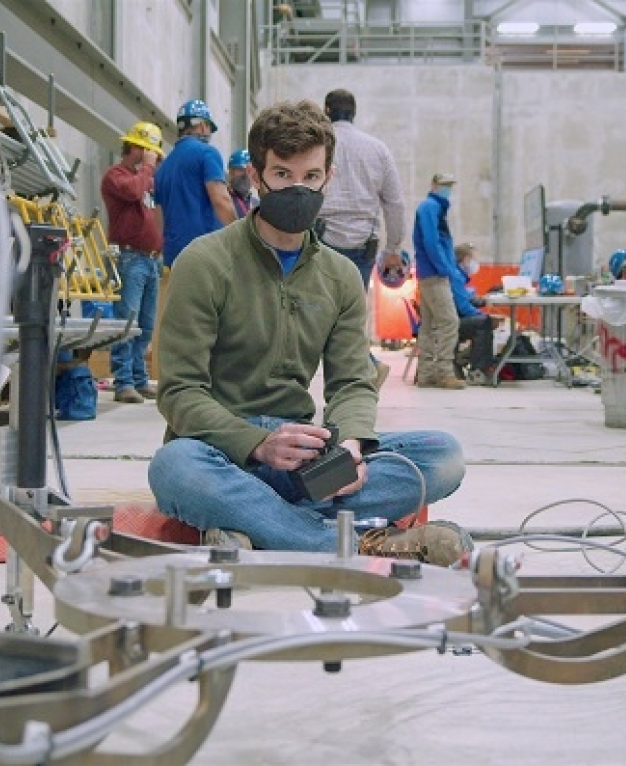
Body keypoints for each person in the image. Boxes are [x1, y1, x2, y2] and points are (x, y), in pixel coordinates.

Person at [147, 100, 472, 567]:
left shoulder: (339, 276)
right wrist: (257, 443)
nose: (298, 189)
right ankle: (350, 543)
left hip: (306, 454)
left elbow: (353, 381)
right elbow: (179, 392)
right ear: (256, 177)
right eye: (282, 175)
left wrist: (352, 445)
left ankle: (251, 522)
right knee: (174, 469)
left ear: (328, 178)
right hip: (219, 449)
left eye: (311, 177)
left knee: (444, 456)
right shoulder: (204, 262)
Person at [317, 89, 407, 389]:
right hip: (363, 245)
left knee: (323, 316)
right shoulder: (377, 149)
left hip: (323, 240)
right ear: (353, 112)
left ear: (326, 110)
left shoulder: (320, 145)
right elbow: (394, 203)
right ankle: (361, 372)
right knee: (351, 314)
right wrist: (394, 248)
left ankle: (360, 373)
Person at [101, 121, 165, 404]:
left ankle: (139, 379)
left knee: (146, 325)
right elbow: (132, 192)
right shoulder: (116, 176)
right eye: (149, 151)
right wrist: (149, 168)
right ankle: (123, 381)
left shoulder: (145, 179)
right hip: (129, 258)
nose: (152, 157)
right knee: (126, 322)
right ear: (136, 148)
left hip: (150, 260)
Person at [154, 99, 237, 267]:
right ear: (202, 126)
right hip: (205, 252)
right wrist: (240, 234)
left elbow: (158, 218)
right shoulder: (207, 153)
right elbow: (221, 200)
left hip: (174, 256)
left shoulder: (163, 167)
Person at [411, 172, 465, 389]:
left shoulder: (432, 207)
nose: (447, 189)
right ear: (433, 185)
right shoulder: (430, 207)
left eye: (450, 185)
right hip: (434, 274)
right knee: (449, 321)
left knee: (430, 324)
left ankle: (426, 374)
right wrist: (445, 269)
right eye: (444, 185)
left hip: (428, 273)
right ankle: (444, 372)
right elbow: (432, 241)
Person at [451, 243, 496, 386]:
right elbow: (463, 307)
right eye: (472, 259)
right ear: (465, 259)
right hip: (451, 322)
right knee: (484, 322)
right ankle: (478, 371)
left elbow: (464, 298)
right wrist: (482, 314)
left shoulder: (458, 275)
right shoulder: (456, 276)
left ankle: (468, 359)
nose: (475, 263)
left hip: (452, 318)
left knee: (483, 320)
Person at [226, 149, 258, 218]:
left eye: (249, 171)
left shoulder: (257, 205)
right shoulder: (224, 201)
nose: (245, 175)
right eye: (241, 170)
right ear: (230, 173)